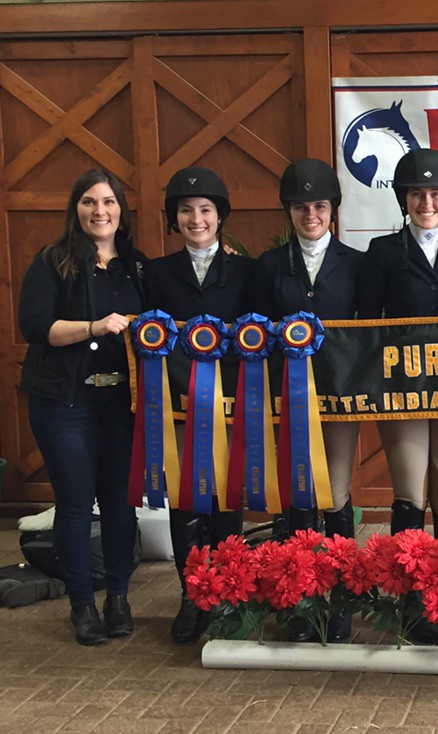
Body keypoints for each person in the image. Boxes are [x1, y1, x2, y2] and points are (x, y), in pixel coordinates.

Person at [18, 168, 147, 645]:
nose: (100, 211)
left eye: (109, 202)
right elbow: (35, 327)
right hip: (64, 402)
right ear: (77, 209)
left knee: (119, 504)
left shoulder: (136, 265)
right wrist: (95, 326)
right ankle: (82, 605)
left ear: (121, 210)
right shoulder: (52, 262)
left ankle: (118, 597)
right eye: (90, 202)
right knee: (74, 506)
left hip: (121, 403)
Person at [357, 148, 438, 644]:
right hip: (402, 390)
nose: (426, 201)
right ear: (404, 199)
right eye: (416, 194)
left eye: (435, 193)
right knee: (410, 495)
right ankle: (411, 603)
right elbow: (365, 321)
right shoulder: (383, 254)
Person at [255, 158, 363, 643]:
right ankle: (297, 600)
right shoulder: (269, 267)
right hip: (287, 397)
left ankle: (338, 601)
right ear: (289, 212)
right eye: (301, 207)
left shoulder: (357, 263)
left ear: (333, 210)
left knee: (335, 494)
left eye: (319, 206)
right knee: (297, 496)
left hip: (339, 397)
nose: (310, 215)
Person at [145, 166, 254, 643]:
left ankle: (227, 594)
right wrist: (178, 385)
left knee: (227, 496)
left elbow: (258, 336)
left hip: (231, 402)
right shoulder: (158, 272)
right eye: (186, 211)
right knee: (188, 496)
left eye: (205, 210)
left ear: (220, 216)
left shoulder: (246, 270)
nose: (196, 218)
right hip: (180, 402)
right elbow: (151, 341)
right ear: (175, 218)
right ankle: (192, 595)